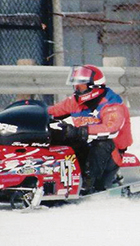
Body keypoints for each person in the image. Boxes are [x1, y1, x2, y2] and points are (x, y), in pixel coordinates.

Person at [48, 65, 133, 194]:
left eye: (80, 86)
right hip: (87, 147)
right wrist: (32, 112)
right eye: (76, 86)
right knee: (60, 137)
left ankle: (89, 185)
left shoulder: (111, 104)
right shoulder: (75, 101)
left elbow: (111, 129)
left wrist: (80, 131)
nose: (77, 90)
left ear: (94, 87)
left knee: (102, 144)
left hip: (111, 155)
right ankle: (55, 177)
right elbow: (53, 111)